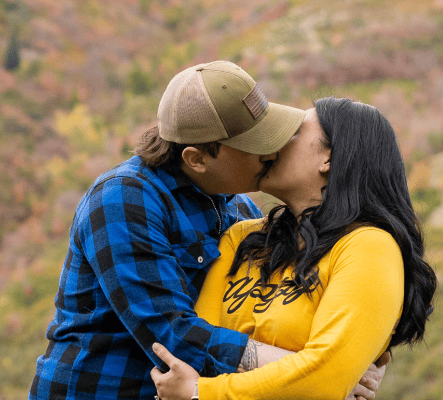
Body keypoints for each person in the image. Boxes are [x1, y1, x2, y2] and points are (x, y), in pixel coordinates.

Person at [29, 60, 385, 400]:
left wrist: (360, 359)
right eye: (253, 144)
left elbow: (292, 309)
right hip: (98, 390)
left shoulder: (239, 210)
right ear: (196, 159)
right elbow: (172, 333)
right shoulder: (124, 199)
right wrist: (320, 374)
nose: (272, 149)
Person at [150, 97, 437, 400]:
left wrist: (201, 393)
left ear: (328, 158)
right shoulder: (242, 238)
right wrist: (307, 372)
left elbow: (321, 380)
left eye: (293, 133)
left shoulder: (369, 247)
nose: (270, 144)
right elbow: (196, 349)